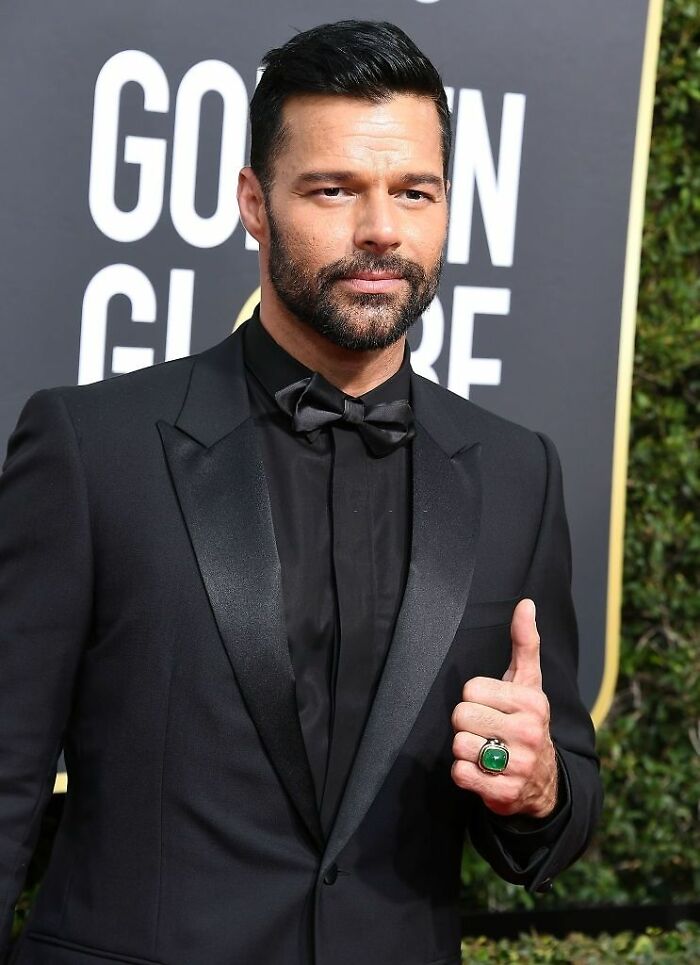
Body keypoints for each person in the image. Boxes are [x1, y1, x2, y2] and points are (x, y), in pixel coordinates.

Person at [0, 19, 601, 965]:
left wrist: (534, 785)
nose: (381, 229)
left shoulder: (517, 471)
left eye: (416, 191)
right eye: (335, 189)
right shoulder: (90, 448)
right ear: (254, 200)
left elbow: (555, 815)